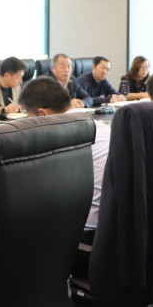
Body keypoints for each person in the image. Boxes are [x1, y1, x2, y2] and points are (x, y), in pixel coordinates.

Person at [18, 77, 110, 242]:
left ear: (42, 114)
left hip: (86, 233)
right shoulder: (99, 126)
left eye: (28, 117)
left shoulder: (58, 135)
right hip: (115, 228)